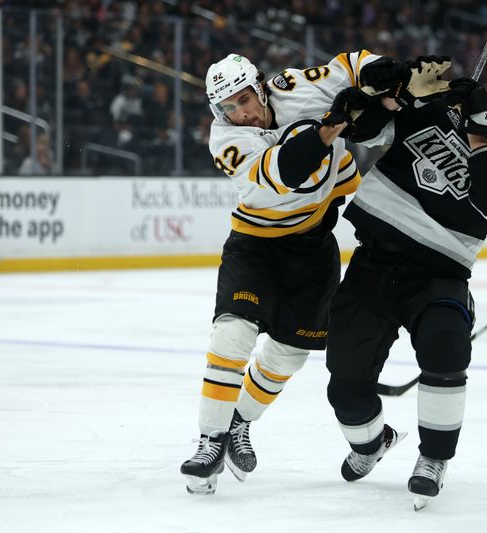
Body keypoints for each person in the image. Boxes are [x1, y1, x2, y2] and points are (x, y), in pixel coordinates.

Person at [180, 51, 452, 495]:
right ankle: (210, 440)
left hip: (314, 247)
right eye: (228, 107)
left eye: (244, 99)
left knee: (289, 353)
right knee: (231, 335)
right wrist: (334, 121)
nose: (240, 112)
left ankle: (239, 422)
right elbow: (288, 170)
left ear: (260, 87)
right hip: (256, 245)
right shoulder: (226, 140)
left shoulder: (296, 87)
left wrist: (387, 73)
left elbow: (351, 63)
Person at [324, 73, 487, 510]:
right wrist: (404, 93)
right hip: (373, 264)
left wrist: (480, 131)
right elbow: (365, 129)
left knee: (446, 350)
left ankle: (434, 458)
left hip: (438, 278)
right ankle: (372, 443)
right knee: (343, 382)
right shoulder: (438, 115)